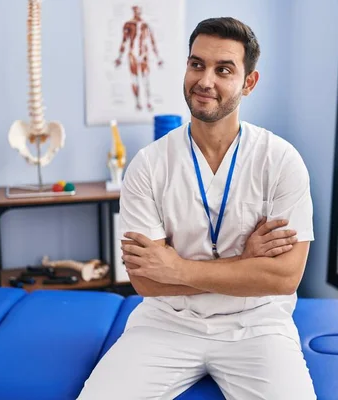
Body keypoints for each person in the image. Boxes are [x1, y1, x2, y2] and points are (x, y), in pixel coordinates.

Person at [78, 17, 316, 399]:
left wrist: (176, 267)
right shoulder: (148, 164)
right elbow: (145, 281)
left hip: (256, 324)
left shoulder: (281, 161)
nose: (205, 80)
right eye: (196, 64)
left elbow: (284, 277)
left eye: (224, 70)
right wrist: (247, 264)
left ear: (248, 82)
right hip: (166, 322)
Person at [115, 5, 164, 111]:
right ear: (133, 11)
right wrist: (120, 57)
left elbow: (152, 41)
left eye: (139, 11)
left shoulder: (145, 25)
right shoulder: (128, 25)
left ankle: (148, 102)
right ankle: (137, 102)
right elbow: (124, 41)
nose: (137, 13)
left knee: (145, 79)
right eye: (136, 11)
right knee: (135, 79)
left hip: (143, 54)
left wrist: (158, 58)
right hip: (133, 54)